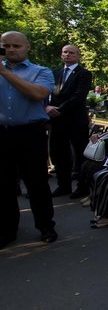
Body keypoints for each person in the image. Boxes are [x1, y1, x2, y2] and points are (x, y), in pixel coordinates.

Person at [0, 31, 58, 248]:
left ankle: (45, 225)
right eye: (6, 46)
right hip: (2, 133)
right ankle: (7, 229)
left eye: (16, 46)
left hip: (30, 133)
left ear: (27, 47)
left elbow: (37, 94)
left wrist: (5, 73)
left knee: (37, 182)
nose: (11, 50)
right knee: (4, 184)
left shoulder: (40, 72)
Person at [47, 44, 93, 198]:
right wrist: (47, 107)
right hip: (57, 121)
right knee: (59, 153)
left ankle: (82, 187)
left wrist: (59, 109)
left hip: (75, 120)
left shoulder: (84, 74)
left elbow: (79, 96)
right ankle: (63, 185)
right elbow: (48, 93)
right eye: (65, 52)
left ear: (78, 56)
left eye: (71, 53)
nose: (67, 55)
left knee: (80, 154)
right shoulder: (55, 73)